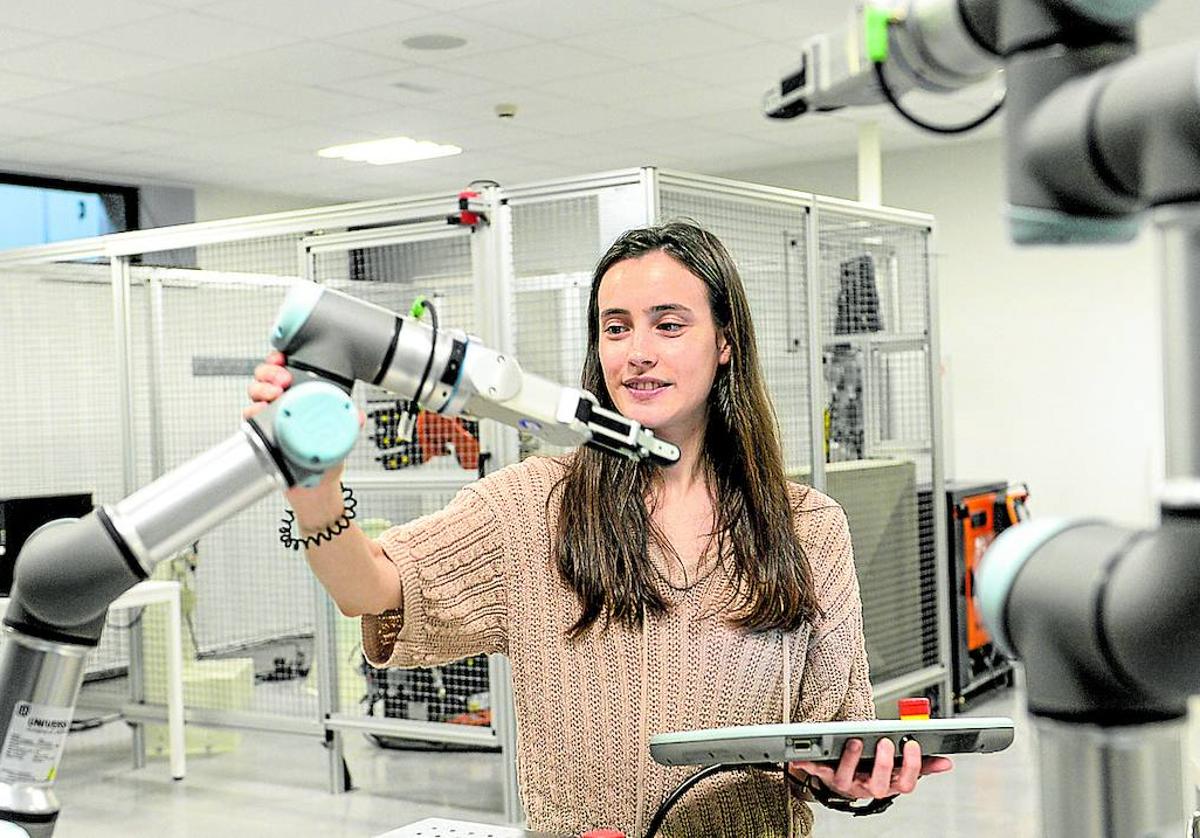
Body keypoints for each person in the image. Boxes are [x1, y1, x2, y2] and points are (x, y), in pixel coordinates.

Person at [245, 221, 951, 837]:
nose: (636, 351)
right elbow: (368, 587)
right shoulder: (532, 506)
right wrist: (316, 484)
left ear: (725, 343)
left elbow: (829, 739)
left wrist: (854, 779)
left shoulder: (808, 526)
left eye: (669, 325)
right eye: (616, 327)